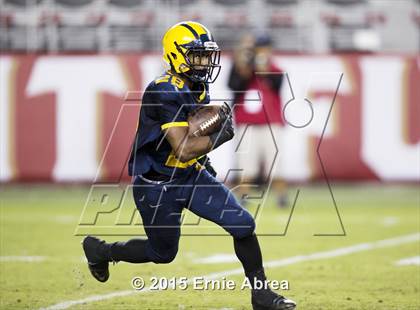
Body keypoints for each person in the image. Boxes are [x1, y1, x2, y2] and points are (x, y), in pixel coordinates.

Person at [82, 21, 296, 310]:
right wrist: (220, 135)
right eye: (197, 55)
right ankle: (102, 252)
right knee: (162, 253)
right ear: (175, 55)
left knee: (243, 224)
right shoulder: (163, 90)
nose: (204, 62)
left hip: (189, 176)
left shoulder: (197, 84)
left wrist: (205, 162)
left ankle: (261, 294)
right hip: (157, 185)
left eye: (206, 55)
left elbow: (192, 143)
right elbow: (183, 148)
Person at [228, 33, 288, 208]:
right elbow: (234, 85)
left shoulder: (275, 69)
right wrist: (244, 62)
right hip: (246, 124)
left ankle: (281, 195)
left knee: (275, 162)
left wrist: (261, 64)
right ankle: (244, 195)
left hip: (270, 124)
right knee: (245, 163)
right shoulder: (241, 68)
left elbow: (275, 83)